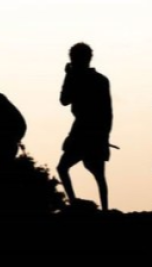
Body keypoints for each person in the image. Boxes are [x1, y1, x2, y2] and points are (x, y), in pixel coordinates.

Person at [57, 43, 113, 211]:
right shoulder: (100, 80)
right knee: (98, 175)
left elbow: (64, 100)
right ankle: (101, 209)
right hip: (92, 131)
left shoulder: (81, 79)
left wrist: (69, 76)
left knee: (65, 168)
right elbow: (108, 113)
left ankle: (76, 203)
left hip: (84, 130)